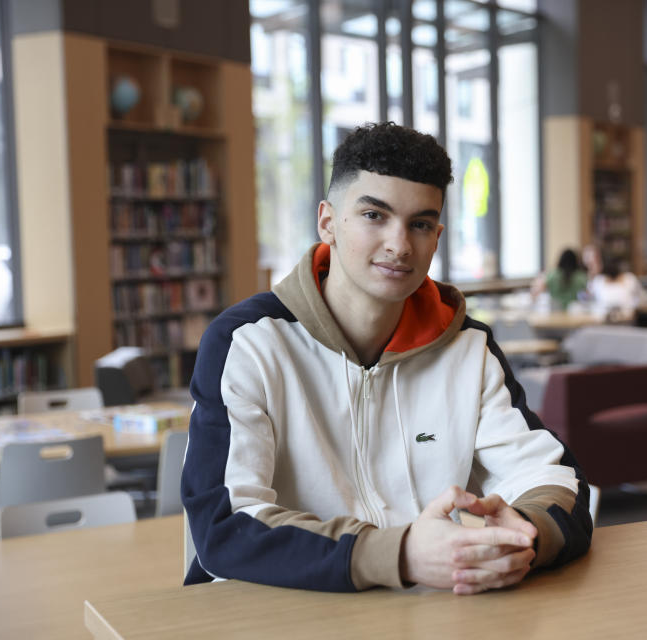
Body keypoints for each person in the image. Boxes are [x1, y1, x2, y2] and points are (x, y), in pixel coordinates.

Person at [182, 122, 592, 596]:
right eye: (375, 216)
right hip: (278, 612)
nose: (400, 245)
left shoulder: (466, 345)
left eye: (419, 224)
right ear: (328, 221)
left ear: (436, 237)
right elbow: (224, 528)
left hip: (423, 617)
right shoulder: (247, 343)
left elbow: (556, 478)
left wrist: (524, 531)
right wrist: (398, 553)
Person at [586, 252, 645, 319]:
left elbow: (588, 298)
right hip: (628, 320)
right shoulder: (630, 278)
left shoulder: (598, 281)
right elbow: (642, 298)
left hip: (604, 321)